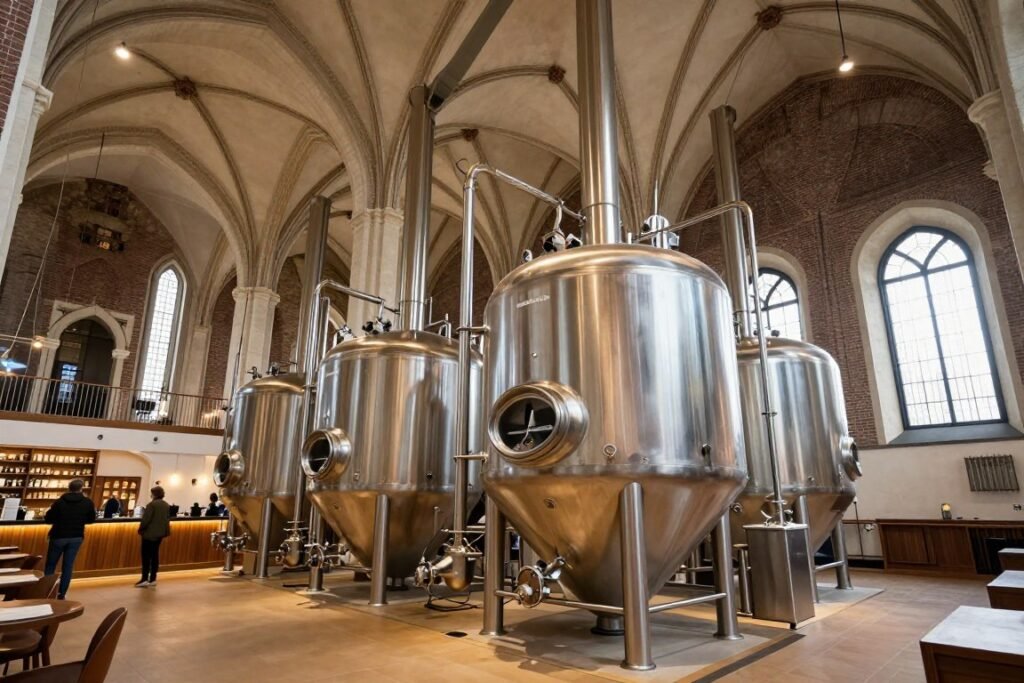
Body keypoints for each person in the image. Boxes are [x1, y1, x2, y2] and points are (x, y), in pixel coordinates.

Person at [44, 479, 96, 599]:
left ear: (69, 488)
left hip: (58, 535)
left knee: (51, 564)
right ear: (81, 488)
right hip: (76, 536)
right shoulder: (87, 502)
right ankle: (62, 593)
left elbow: (49, 519)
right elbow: (91, 519)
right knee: (68, 566)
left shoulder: (59, 502)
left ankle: (47, 590)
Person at [135, 486, 171, 588]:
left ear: (154, 494)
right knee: (155, 556)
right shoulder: (166, 505)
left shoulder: (151, 505)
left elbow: (146, 520)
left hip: (149, 534)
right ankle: (153, 578)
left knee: (146, 556)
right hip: (160, 534)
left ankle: (144, 578)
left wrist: (141, 529)